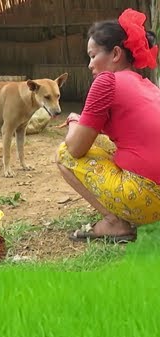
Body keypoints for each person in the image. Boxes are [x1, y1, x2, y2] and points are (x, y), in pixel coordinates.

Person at [57, 7, 160, 244]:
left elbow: (75, 149)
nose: (90, 65)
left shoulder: (107, 80)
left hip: (149, 197)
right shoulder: (146, 84)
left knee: (64, 153)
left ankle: (114, 223)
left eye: (93, 56)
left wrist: (73, 119)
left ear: (115, 54)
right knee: (103, 143)